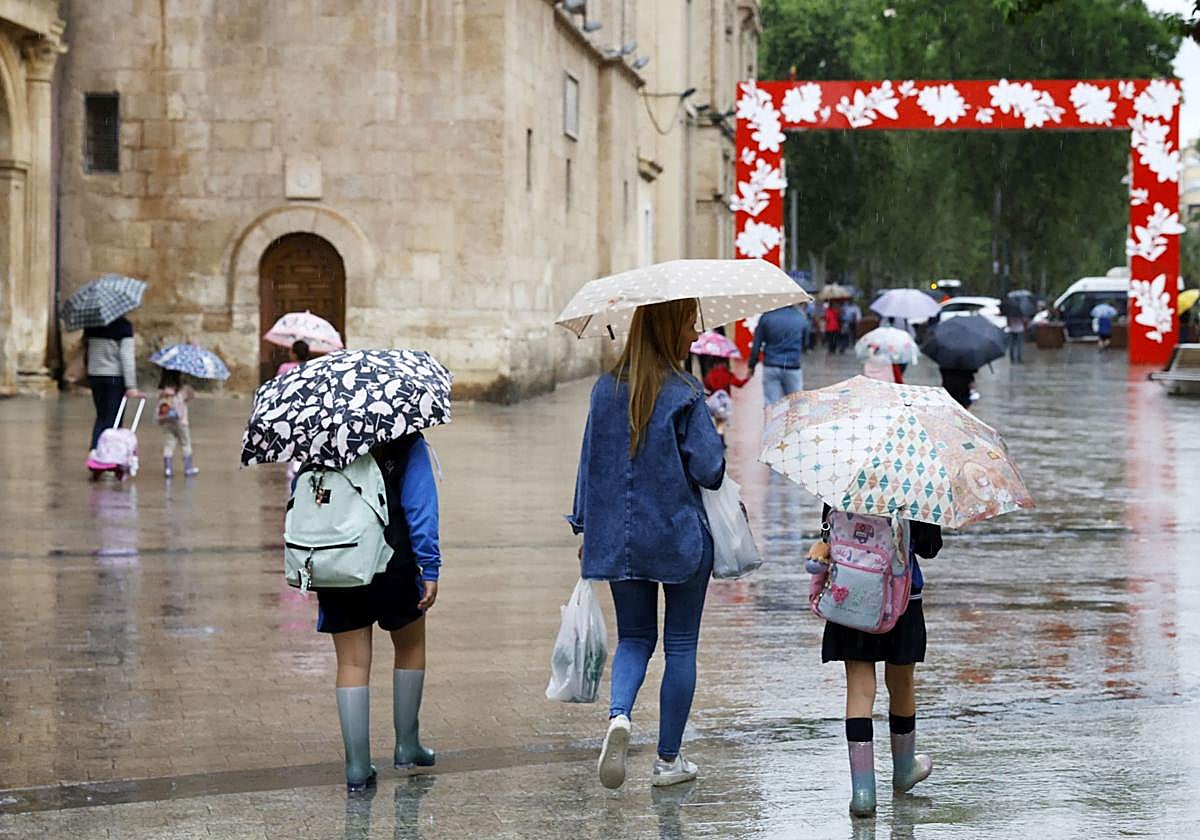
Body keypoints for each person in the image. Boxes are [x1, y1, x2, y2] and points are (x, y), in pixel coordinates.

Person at [568, 298, 725, 790]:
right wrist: (713, 436)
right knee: (680, 645)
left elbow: (588, 463)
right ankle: (668, 761)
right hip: (678, 537)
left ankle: (619, 717)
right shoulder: (684, 393)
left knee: (634, 638)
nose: (693, 335)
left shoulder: (603, 391)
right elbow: (710, 470)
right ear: (668, 328)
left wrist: (586, 526)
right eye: (688, 324)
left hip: (620, 539)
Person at [314, 433, 441, 793]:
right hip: (394, 561)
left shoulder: (322, 439)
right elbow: (421, 507)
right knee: (410, 646)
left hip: (337, 563)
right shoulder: (406, 440)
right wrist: (429, 566)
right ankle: (407, 744)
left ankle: (356, 765)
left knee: (352, 663)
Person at [813, 504, 943, 817]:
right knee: (901, 682)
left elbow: (828, 529)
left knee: (859, 688)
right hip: (901, 599)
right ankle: (904, 769)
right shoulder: (916, 485)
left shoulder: (846, 476)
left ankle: (863, 792)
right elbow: (929, 547)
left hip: (850, 593)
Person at [84, 315, 140, 453]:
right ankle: (109, 453)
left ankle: (94, 449)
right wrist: (131, 385)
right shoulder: (123, 326)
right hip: (114, 377)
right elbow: (126, 356)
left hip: (95, 376)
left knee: (101, 416)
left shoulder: (91, 324)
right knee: (114, 417)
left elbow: (86, 351)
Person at [749, 305, 807, 404]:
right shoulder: (800, 317)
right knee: (797, 402)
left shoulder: (766, 317)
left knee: (771, 403)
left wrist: (752, 365)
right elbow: (806, 343)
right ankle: (798, 419)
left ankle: (771, 419)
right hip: (792, 366)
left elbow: (757, 344)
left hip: (771, 365)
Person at [155, 369, 198, 477]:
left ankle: (168, 469)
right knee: (185, 443)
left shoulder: (162, 392)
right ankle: (188, 468)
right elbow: (191, 396)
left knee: (169, 444)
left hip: (166, 422)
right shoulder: (182, 390)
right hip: (181, 422)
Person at [703, 357, 749, 439]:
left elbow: (707, 386)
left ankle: (718, 435)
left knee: (718, 420)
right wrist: (748, 377)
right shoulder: (728, 374)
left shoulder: (710, 374)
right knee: (722, 420)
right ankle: (721, 435)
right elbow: (739, 384)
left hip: (715, 401)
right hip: (724, 402)